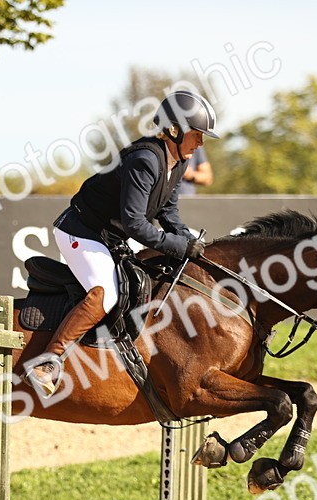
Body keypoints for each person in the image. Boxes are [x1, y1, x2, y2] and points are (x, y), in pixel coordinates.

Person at [30, 90, 217, 395]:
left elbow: (168, 213)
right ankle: (48, 362)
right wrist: (180, 246)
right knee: (105, 295)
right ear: (175, 130)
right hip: (81, 231)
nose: (201, 143)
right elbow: (135, 223)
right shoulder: (145, 160)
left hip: (110, 237)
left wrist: (191, 242)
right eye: (197, 134)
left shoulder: (178, 162)